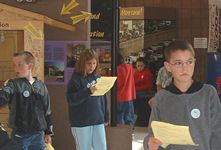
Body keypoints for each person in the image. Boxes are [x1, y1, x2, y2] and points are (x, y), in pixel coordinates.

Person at [146, 40, 221, 150]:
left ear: (194, 62)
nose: (185, 68)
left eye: (189, 62)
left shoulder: (208, 93)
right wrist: (150, 144)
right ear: (168, 66)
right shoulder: (162, 98)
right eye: (178, 63)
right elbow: (152, 134)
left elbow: (218, 132)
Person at [0, 51, 53, 150]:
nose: (16, 68)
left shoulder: (41, 86)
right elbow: (4, 96)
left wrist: (48, 132)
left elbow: (47, 111)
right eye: (14, 65)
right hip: (19, 136)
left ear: (30, 66)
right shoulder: (13, 84)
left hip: (38, 136)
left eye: (19, 65)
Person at [66, 49, 109, 150]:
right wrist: (87, 91)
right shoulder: (75, 79)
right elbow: (71, 100)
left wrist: (106, 116)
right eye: (89, 63)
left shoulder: (97, 77)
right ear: (82, 63)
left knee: (102, 147)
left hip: (98, 120)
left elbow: (103, 99)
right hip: (81, 122)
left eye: (94, 63)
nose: (92, 66)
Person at [117, 53, 136, 125]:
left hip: (120, 95)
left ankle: (121, 134)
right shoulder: (129, 67)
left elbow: (119, 83)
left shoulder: (118, 69)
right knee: (129, 117)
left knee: (119, 116)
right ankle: (129, 133)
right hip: (129, 95)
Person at [134, 57, 153, 126]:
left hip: (145, 92)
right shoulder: (135, 73)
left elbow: (148, 85)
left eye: (141, 66)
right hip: (136, 92)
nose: (139, 67)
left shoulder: (147, 73)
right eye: (138, 66)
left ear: (144, 65)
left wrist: (136, 89)